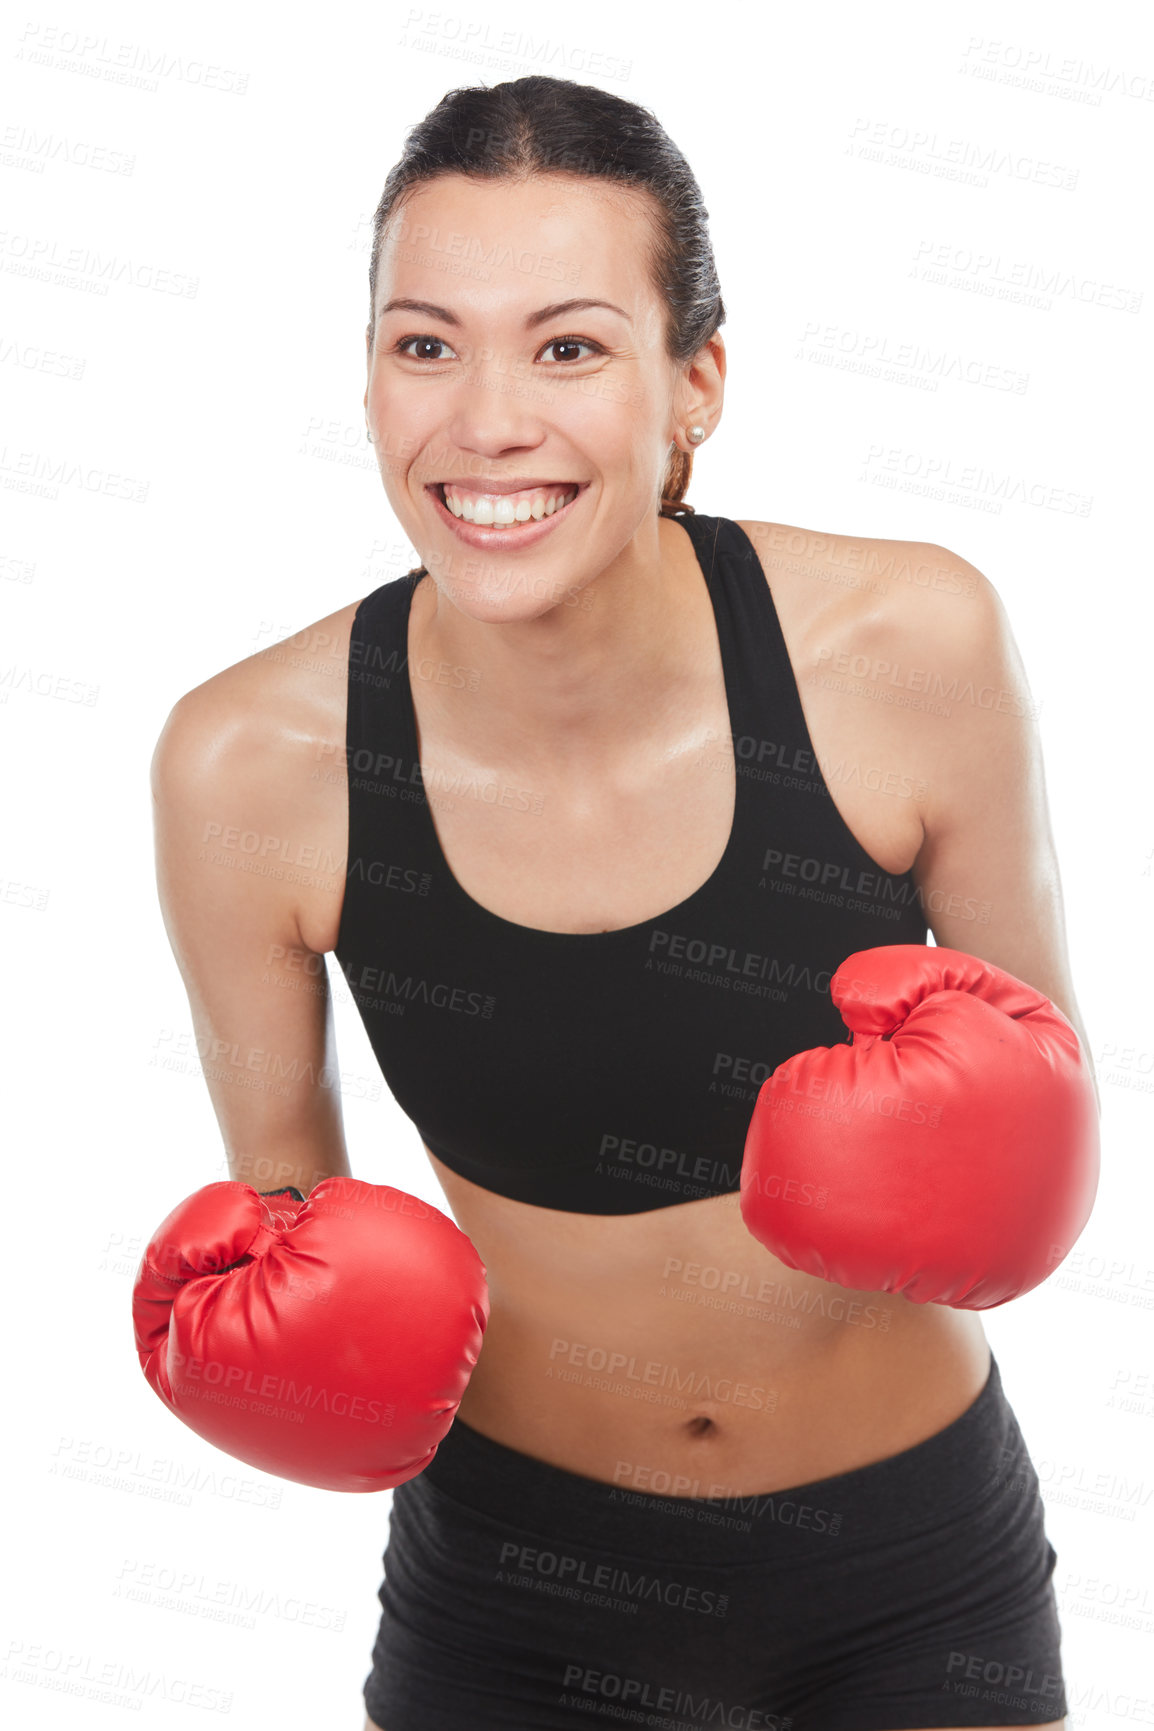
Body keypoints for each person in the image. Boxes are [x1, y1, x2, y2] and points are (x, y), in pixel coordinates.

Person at [150, 75, 1097, 1731]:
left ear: (694, 386)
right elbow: (287, 1233)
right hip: (515, 1595)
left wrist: (985, 1160)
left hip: (908, 1567)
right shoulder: (251, 763)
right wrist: (283, 1367)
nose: (486, 420)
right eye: (424, 343)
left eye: (569, 346)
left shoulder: (904, 648)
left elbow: (1043, 1088)